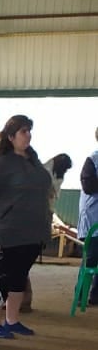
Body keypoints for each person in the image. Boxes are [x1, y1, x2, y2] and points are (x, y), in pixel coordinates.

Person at [0, 114, 52, 338]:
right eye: (23, 131)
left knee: (20, 276)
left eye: (30, 131)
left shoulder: (33, 159)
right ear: (10, 136)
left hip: (33, 230)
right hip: (8, 230)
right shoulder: (0, 162)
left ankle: (12, 320)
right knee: (3, 277)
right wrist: (4, 210)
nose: (28, 135)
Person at [79, 128, 98, 306]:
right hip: (93, 218)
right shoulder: (92, 160)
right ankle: (82, 295)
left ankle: (95, 295)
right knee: (91, 259)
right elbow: (88, 186)